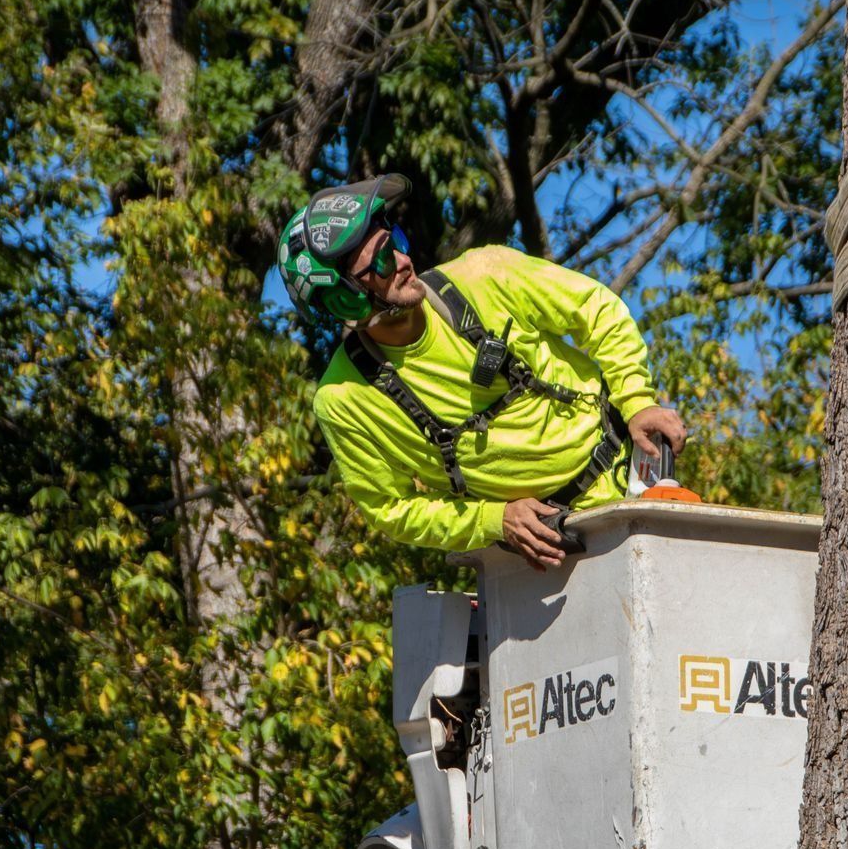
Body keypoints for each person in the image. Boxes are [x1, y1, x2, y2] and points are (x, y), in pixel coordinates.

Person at [281, 175, 687, 570]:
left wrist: (637, 402)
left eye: (397, 242)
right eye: (384, 259)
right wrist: (494, 520)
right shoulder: (344, 399)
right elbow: (391, 509)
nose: (405, 261)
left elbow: (599, 312)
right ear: (344, 299)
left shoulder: (486, 274)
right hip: (547, 552)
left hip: (634, 478)